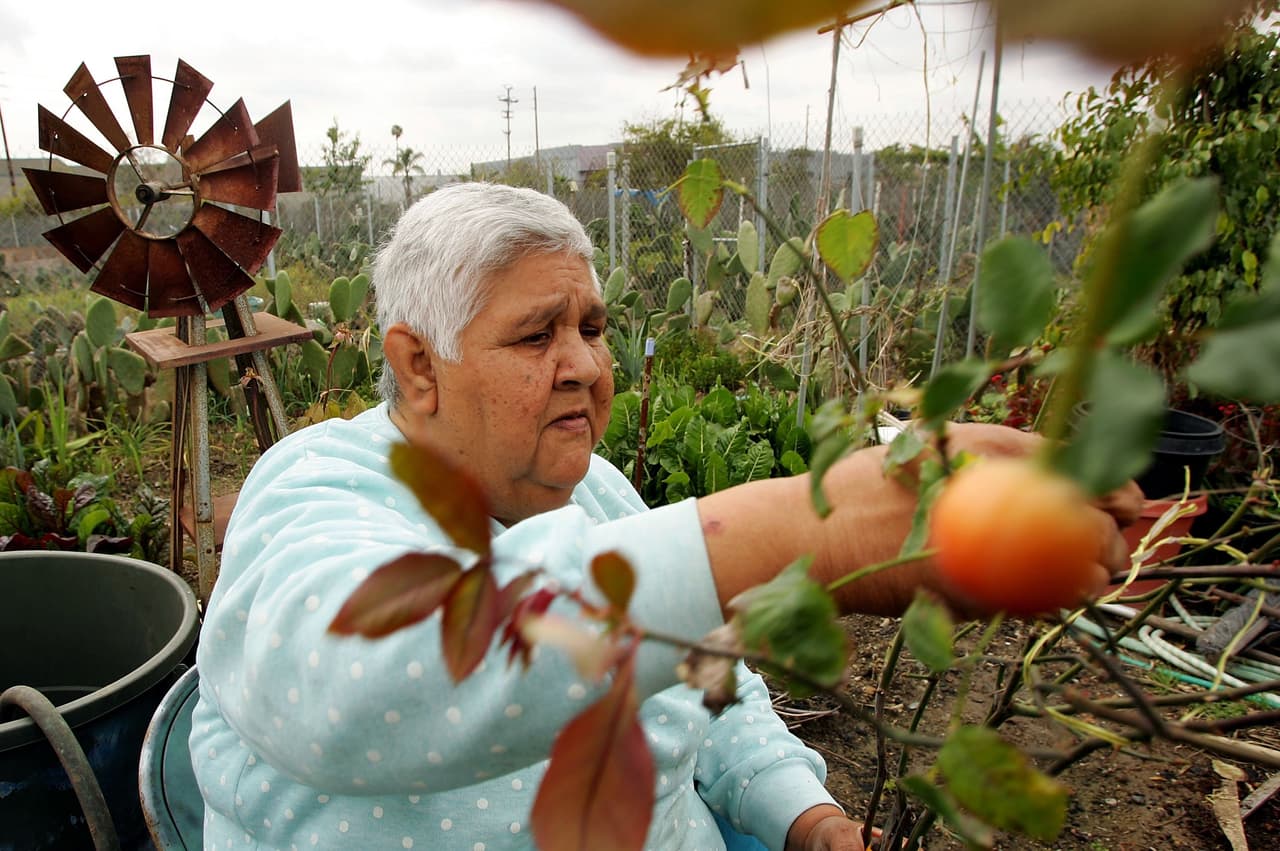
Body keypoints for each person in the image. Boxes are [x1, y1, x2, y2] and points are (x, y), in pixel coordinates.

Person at [190, 182, 1140, 851]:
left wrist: (799, 812)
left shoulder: (596, 488)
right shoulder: (314, 488)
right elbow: (364, 681)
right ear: (418, 366)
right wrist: (811, 527)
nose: (587, 367)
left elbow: (704, 683)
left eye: (593, 329)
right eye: (537, 334)